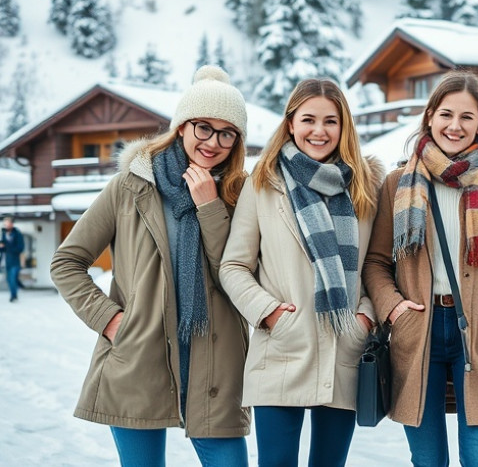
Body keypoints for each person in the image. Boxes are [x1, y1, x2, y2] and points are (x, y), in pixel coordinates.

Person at [50, 65, 251, 467]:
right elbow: (67, 261)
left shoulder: (239, 194)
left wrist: (210, 206)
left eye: (227, 132)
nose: (213, 142)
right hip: (139, 356)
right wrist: (110, 320)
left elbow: (236, 273)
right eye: (203, 127)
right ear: (181, 127)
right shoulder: (130, 186)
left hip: (216, 363)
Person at [362, 70, 478, 467]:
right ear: (430, 116)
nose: (455, 126)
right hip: (419, 328)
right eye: (446, 114)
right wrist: (393, 307)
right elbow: (377, 262)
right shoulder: (399, 183)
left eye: (467, 117)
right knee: (428, 461)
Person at [219, 78, 383, 467]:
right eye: (308, 119)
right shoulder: (264, 182)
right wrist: (269, 313)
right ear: (290, 123)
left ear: (344, 128)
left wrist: (365, 317)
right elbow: (234, 266)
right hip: (283, 348)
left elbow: (377, 265)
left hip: (344, 344)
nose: (319, 131)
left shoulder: (365, 187)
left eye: (331, 121)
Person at [2, 216, 25, 302]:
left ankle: (13, 296)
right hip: (7, 261)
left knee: (12, 279)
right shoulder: (4, 234)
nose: (6, 225)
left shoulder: (17, 234)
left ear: (11, 223)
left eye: (7, 223)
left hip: (15, 261)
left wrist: (7, 247)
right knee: (10, 279)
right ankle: (15, 292)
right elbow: (4, 248)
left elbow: (20, 248)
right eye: (5, 223)